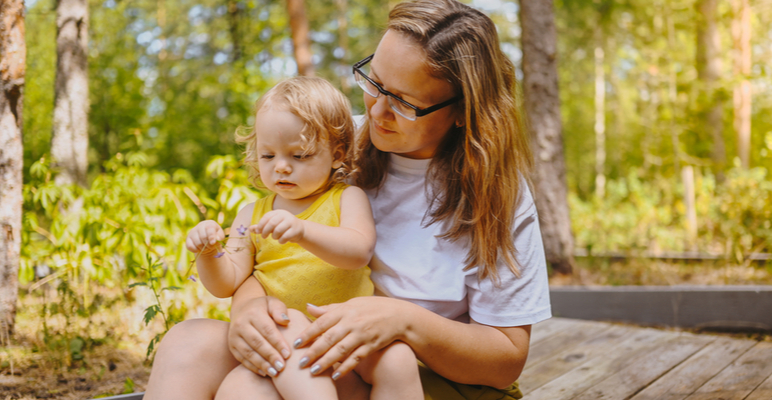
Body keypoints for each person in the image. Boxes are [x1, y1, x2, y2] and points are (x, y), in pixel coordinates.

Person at [144, 1, 551, 399]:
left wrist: (403, 322)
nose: (376, 112)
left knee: (251, 385)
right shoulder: (329, 144)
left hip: (425, 373)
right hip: (320, 341)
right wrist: (248, 307)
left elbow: (506, 360)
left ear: (464, 110)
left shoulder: (497, 192)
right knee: (186, 344)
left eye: (405, 104)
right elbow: (266, 245)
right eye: (373, 83)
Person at [180, 76, 423, 400]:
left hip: (347, 335)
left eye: (299, 156)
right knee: (280, 335)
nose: (281, 167)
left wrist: (304, 231)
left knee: (399, 358)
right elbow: (228, 282)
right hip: (282, 335)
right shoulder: (249, 216)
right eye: (268, 156)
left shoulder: (345, 198)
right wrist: (210, 253)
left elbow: (358, 250)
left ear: (336, 154)